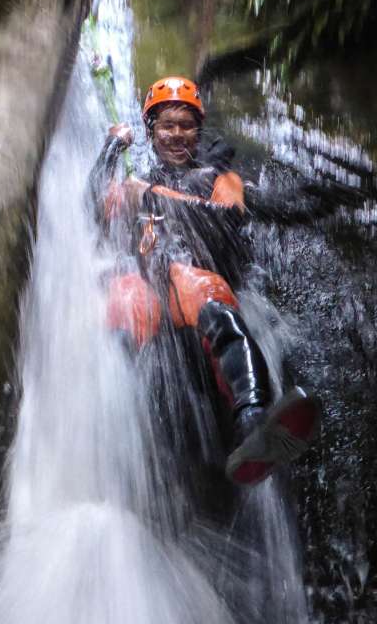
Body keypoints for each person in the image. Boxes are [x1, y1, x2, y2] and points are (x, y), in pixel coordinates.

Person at [88, 75, 319, 487]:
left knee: (204, 293)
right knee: (126, 299)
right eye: (167, 125)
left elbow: (226, 215)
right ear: (151, 131)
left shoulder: (217, 175)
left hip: (192, 280)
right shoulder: (133, 178)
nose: (176, 135)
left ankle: (254, 421)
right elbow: (93, 207)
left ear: (198, 130)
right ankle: (103, 433)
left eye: (186, 125)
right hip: (150, 283)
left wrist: (151, 196)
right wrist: (111, 149)